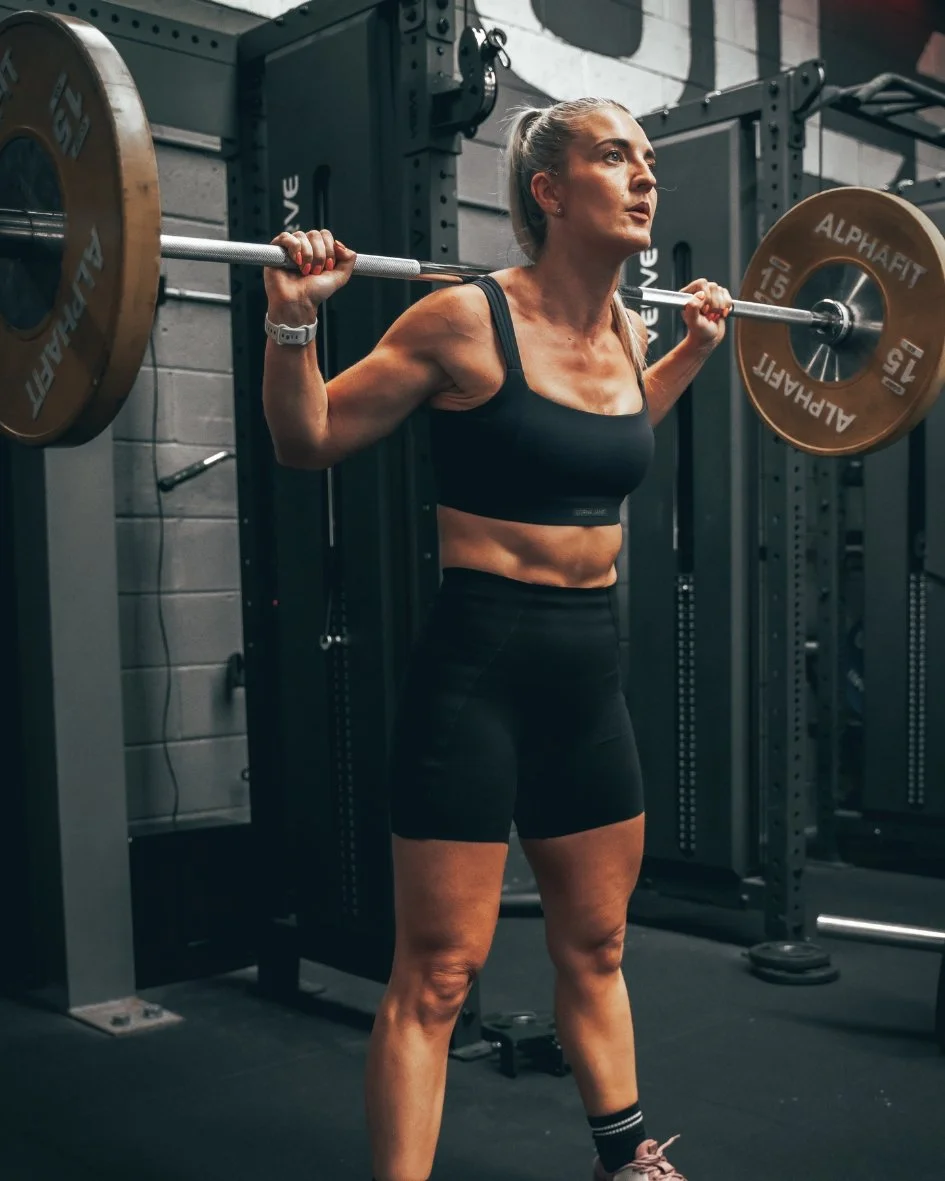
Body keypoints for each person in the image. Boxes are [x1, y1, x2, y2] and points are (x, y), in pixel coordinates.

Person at [261, 97, 731, 1181]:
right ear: (548, 191)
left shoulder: (628, 331)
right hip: (478, 669)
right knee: (437, 972)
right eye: (614, 156)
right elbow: (307, 436)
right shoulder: (462, 319)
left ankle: (626, 1157)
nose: (645, 176)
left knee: (599, 944)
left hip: (587, 673)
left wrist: (691, 355)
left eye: (647, 159)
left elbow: (599, 439)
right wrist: (293, 320)